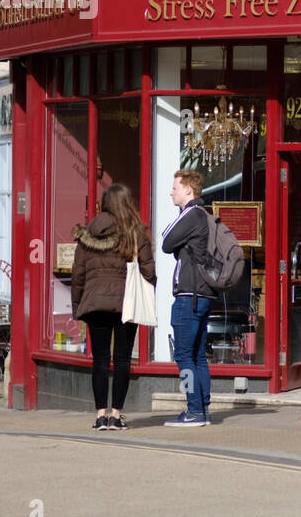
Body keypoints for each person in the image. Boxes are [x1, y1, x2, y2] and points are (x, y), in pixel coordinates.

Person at [71, 184, 156, 431]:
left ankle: (100, 416)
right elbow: (148, 270)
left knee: (99, 359)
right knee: (121, 360)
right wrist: (149, 291)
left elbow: (78, 274)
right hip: (126, 304)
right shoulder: (135, 233)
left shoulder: (88, 234)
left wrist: (78, 306)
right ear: (127, 203)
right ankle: (116, 416)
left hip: (95, 304)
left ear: (105, 203)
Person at [160, 168, 218, 427]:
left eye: (175, 187)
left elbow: (165, 240)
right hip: (204, 293)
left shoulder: (192, 213)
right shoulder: (205, 215)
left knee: (183, 355)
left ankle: (194, 411)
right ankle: (203, 409)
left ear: (188, 190)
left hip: (189, 295)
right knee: (197, 355)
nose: (171, 192)